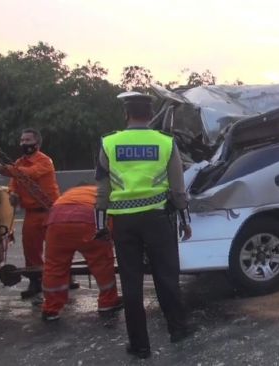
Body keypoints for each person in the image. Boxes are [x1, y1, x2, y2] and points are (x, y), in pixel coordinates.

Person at [95, 91, 193, 359]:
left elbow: (102, 189)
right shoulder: (165, 143)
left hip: (124, 222)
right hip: (158, 219)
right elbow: (177, 187)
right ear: (150, 116)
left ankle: (140, 346)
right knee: (166, 277)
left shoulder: (109, 143)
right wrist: (185, 219)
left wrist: (100, 225)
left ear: (126, 114)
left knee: (131, 283)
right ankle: (178, 329)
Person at [0, 128, 60, 299]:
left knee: (57, 248)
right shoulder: (18, 163)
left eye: (27, 140)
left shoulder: (45, 161)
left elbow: (30, 174)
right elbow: (15, 183)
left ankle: (66, 277)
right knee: (31, 250)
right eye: (22, 140)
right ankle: (36, 282)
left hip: (51, 210)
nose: (24, 143)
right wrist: (13, 193)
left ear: (37, 143)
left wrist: (3, 169)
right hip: (32, 213)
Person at [41, 185, 123, 321]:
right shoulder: (104, 193)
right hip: (88, 220)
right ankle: (107, 302)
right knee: (101, 263)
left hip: (56, 223)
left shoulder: (70, 193)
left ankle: (51, 309)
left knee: (54, 266)